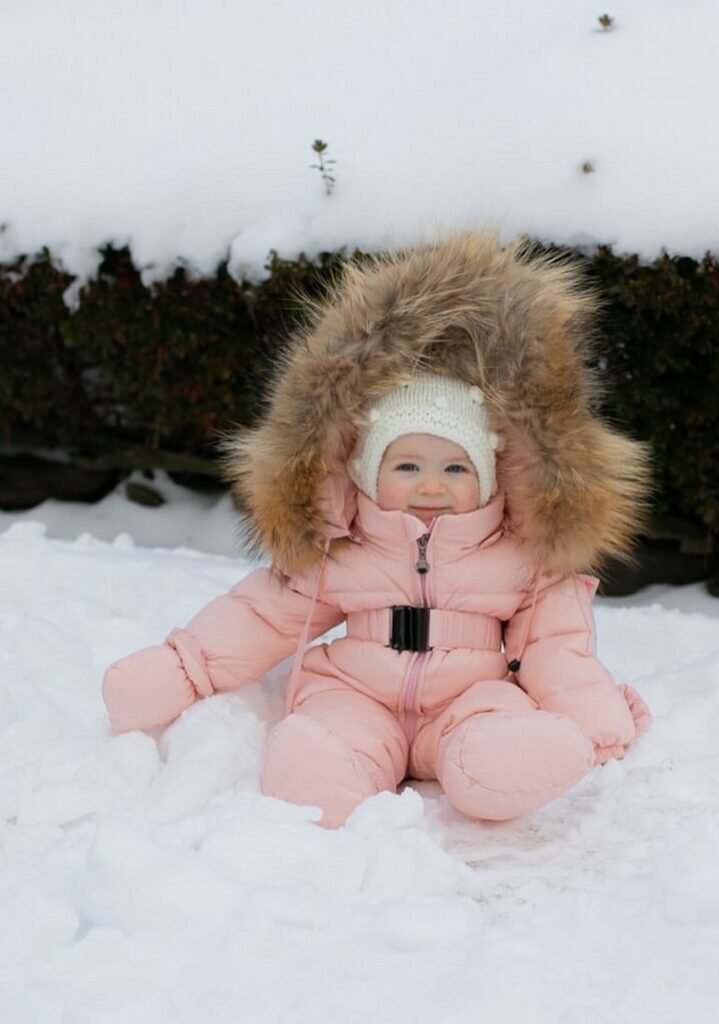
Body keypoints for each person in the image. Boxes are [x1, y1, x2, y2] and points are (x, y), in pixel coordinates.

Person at [103, 233, 653, 828]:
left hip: (470, 699)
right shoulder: (342, 547)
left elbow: (555, 643)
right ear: (367, 473)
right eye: (407, 467)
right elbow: (262, 615)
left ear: (491, 477)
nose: (431, 486)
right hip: (356, 691)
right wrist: (184, 667)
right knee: (330, 730)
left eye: (456, 469)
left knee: (492, 731)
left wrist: (592, 716)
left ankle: (500, 765)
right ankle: (324, 770)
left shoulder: (520, 556)